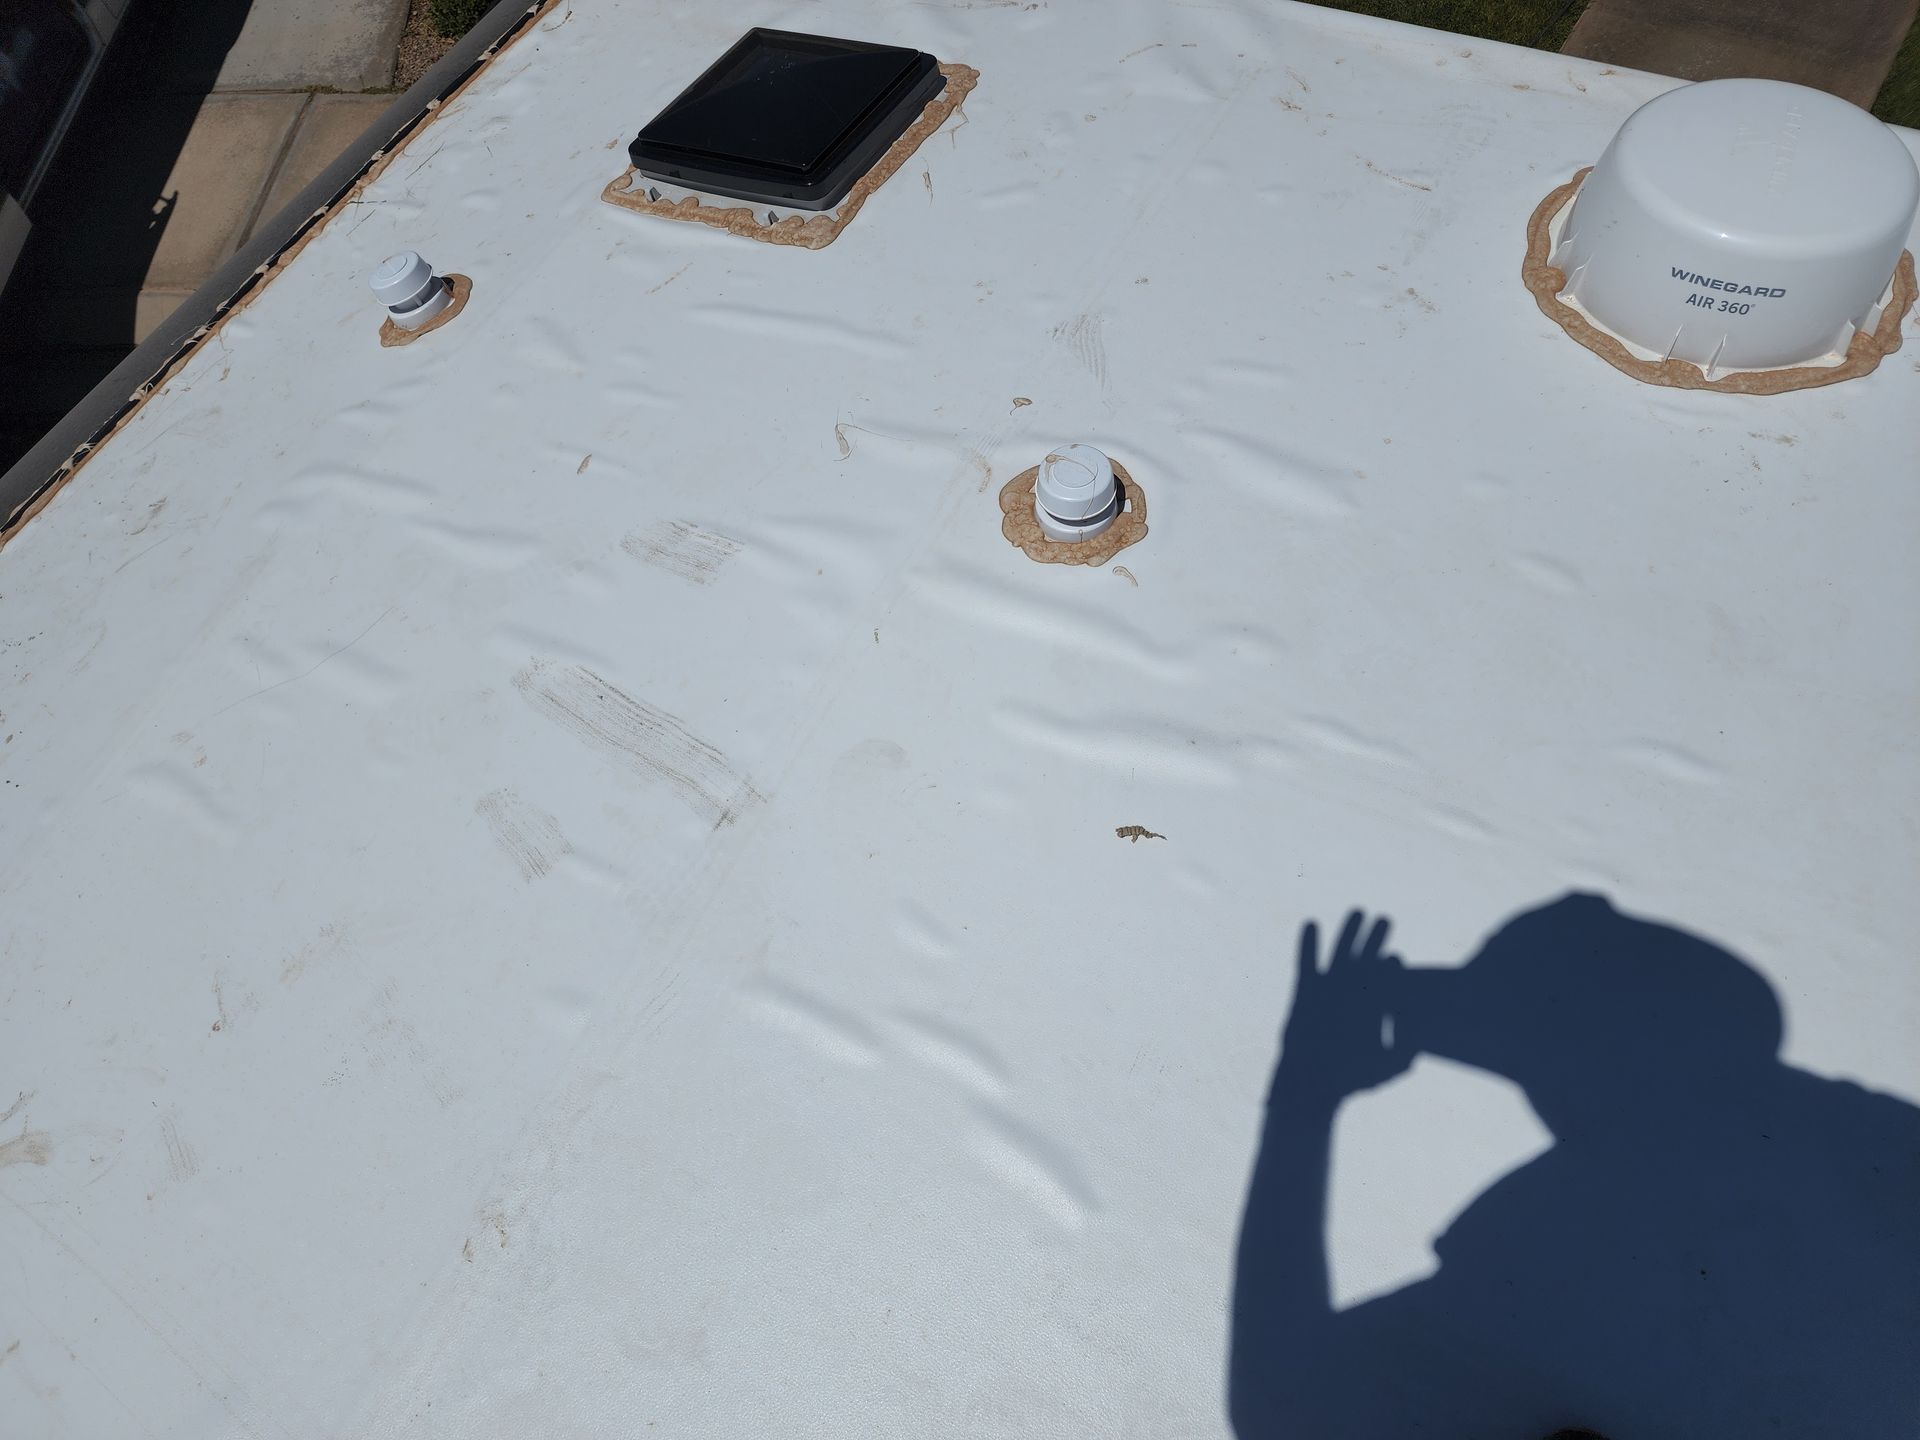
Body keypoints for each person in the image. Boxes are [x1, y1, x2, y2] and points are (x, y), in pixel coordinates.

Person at [1229, 894, 1920, 1439]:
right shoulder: (1880, 1140)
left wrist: (1303, 1104)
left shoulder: (1587, 1220)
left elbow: (1287, 1406)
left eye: (1532, 1058)